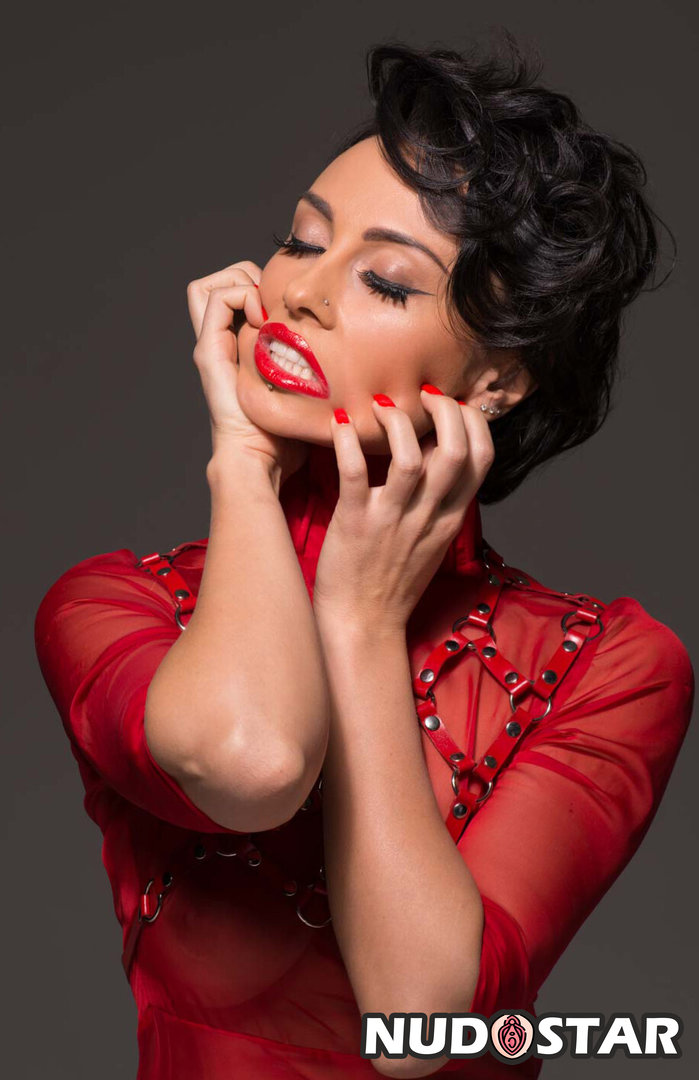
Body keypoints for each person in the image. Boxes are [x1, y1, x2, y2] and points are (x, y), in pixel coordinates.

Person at [34, 39, 694, 1080]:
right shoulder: (115, 604)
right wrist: (243, 462)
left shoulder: (611, 664)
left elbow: (421, 1025)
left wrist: (361, 621)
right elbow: (252, 760)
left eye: (385, 280)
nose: (302, 292)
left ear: (495, 380)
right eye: (301, 242)